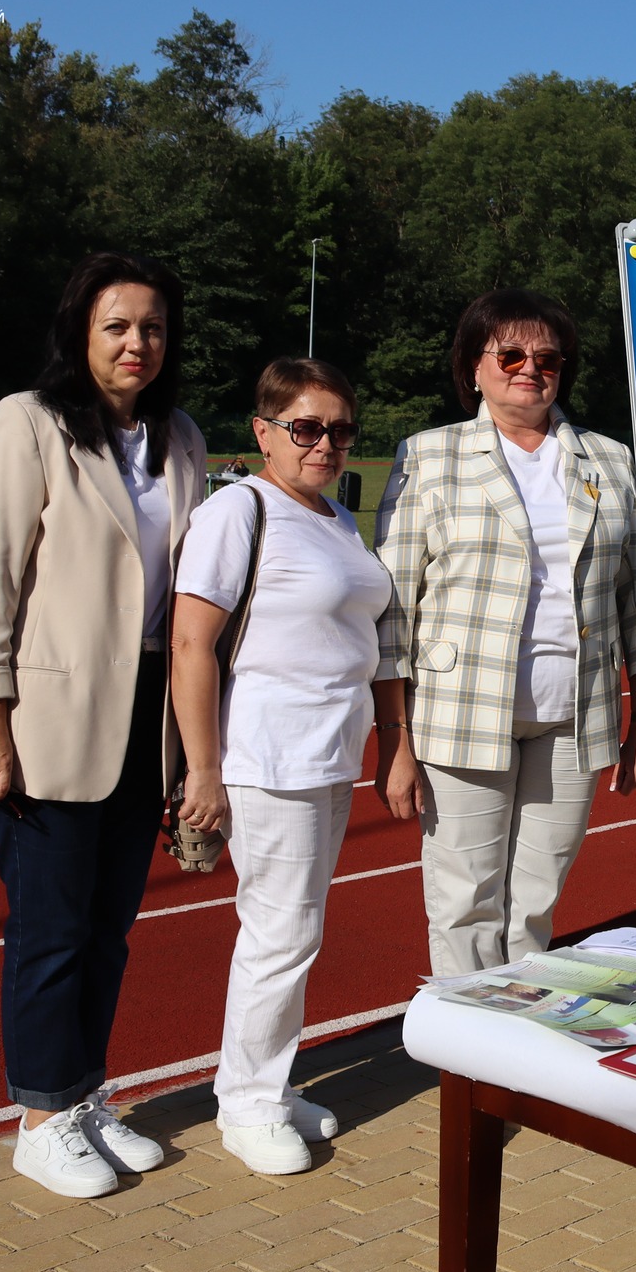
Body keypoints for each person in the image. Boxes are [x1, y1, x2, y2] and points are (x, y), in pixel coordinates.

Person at [0, 251, 207, 1199]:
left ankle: (84, 1092)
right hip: (48, 708)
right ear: (81, 333)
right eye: (117, 326)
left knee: (110, 926)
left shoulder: (180, 437)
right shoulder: (30, 423)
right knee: (51, 927)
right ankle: (39, 1115)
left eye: (152, 326)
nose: (137, 342)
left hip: (150, 711)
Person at [371, 288, 636, 976]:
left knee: (534, 903)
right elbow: (393, 613)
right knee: (466, 901)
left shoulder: (612, 461)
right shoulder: (427, 456)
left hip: (574, 716)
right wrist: (396, 742)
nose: (530, 368)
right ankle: (471, 1069)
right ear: (474, 365)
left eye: (548, 357)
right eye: (511, 353)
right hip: (461, 714)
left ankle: (520, 1045)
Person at [170, 358, 391, 1176]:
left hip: (331, 753)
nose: (325, 442)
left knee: (298, 930)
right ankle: (248, 1103)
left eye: (339, 429)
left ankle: (266, 1078)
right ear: (263, 431)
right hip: (271, 756)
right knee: (279, 933)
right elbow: (192, 642)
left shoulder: (335, 517)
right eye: (306, 427)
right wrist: (204, 769)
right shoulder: (239, 510)